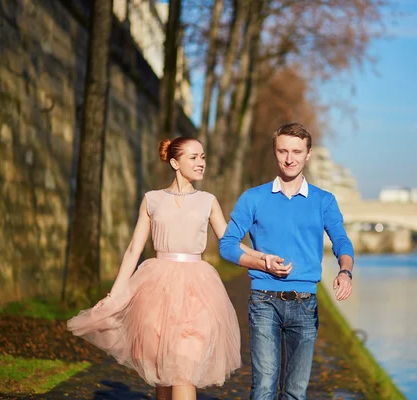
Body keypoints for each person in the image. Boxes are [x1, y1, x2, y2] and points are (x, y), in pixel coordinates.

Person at [67, 137, 271, 400]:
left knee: (184, 371)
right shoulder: (152, 200)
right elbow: (133, 250)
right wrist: (115, 295)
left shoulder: (208, 201)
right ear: (175, 162)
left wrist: (262, 258)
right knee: (162, 371)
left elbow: (230, 243)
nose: (201, 163)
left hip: (198, 291)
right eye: (194, 157)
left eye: (203, 157)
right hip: (156, 289)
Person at [219, 122, 355, 400]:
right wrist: (262, 263)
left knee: (295, 391)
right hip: (264, 300)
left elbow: (342, 242)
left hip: (306, 303)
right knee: (265, 387)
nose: (289, 158)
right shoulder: (253, 198)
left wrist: (345, 271)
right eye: (283, 151)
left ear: (308, 154)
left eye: (296, 151)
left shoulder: (324, 200)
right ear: (275, 152)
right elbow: (227, 244)